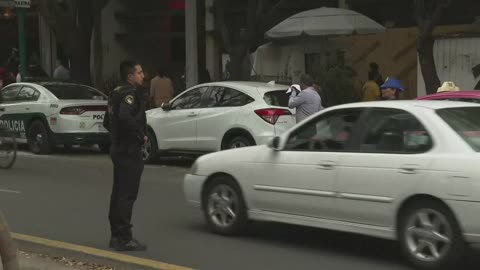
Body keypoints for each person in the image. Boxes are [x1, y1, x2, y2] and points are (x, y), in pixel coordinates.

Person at [103, 60, 147, 251]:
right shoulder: (129, 93)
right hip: (128, 150)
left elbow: (107, 120)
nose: (143, 76)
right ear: (130, 76)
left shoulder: (115, 92)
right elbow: (124, 116)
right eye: (139, 73)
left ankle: (115, 235)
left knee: (119, 193)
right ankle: (124, 237)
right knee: (127, 194)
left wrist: (116, 136)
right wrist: (140, 136)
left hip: (118, 148)